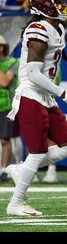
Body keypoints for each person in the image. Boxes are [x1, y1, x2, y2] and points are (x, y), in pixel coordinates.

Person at [5, 0, 67, 216]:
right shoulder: (38, 29)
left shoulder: (57, 27)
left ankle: (22, 169)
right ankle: (16, 203)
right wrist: (63, 92)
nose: (63, 6)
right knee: (38, 152)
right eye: (58, 3)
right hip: (31, 94)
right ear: (45, 8)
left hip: (45, 96)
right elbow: (33, 73)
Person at [0, 35, 19, 181]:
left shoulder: (14, 62)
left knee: (5, 140)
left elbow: (5, 81)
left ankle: (4, 170)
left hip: (7, 106)